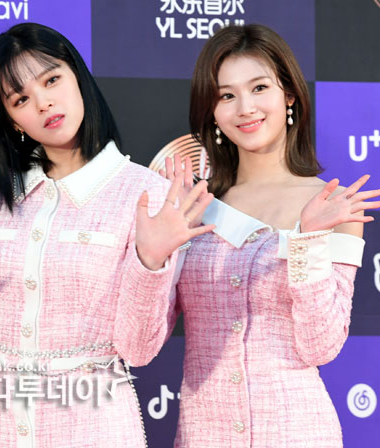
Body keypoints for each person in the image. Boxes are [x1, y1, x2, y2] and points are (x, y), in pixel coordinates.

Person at [0, 22, 214, 447]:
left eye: (52, 80)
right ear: (11, 119)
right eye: (21, 99)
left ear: (78, 77)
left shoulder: (146, 192)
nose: (44, 103)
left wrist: (149, 262)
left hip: (93, 428)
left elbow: (138, 351)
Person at [160, 24, 380, 447]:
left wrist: (307, 240)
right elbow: (147, 340)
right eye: (227, 96)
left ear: (289, 95)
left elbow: (320, 346)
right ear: (212, 111)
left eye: (259, 88)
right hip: (203, 434)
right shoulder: (192, 208)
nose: (246, 108)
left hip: (296, 432)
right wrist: (152, 257)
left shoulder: (333, 206)